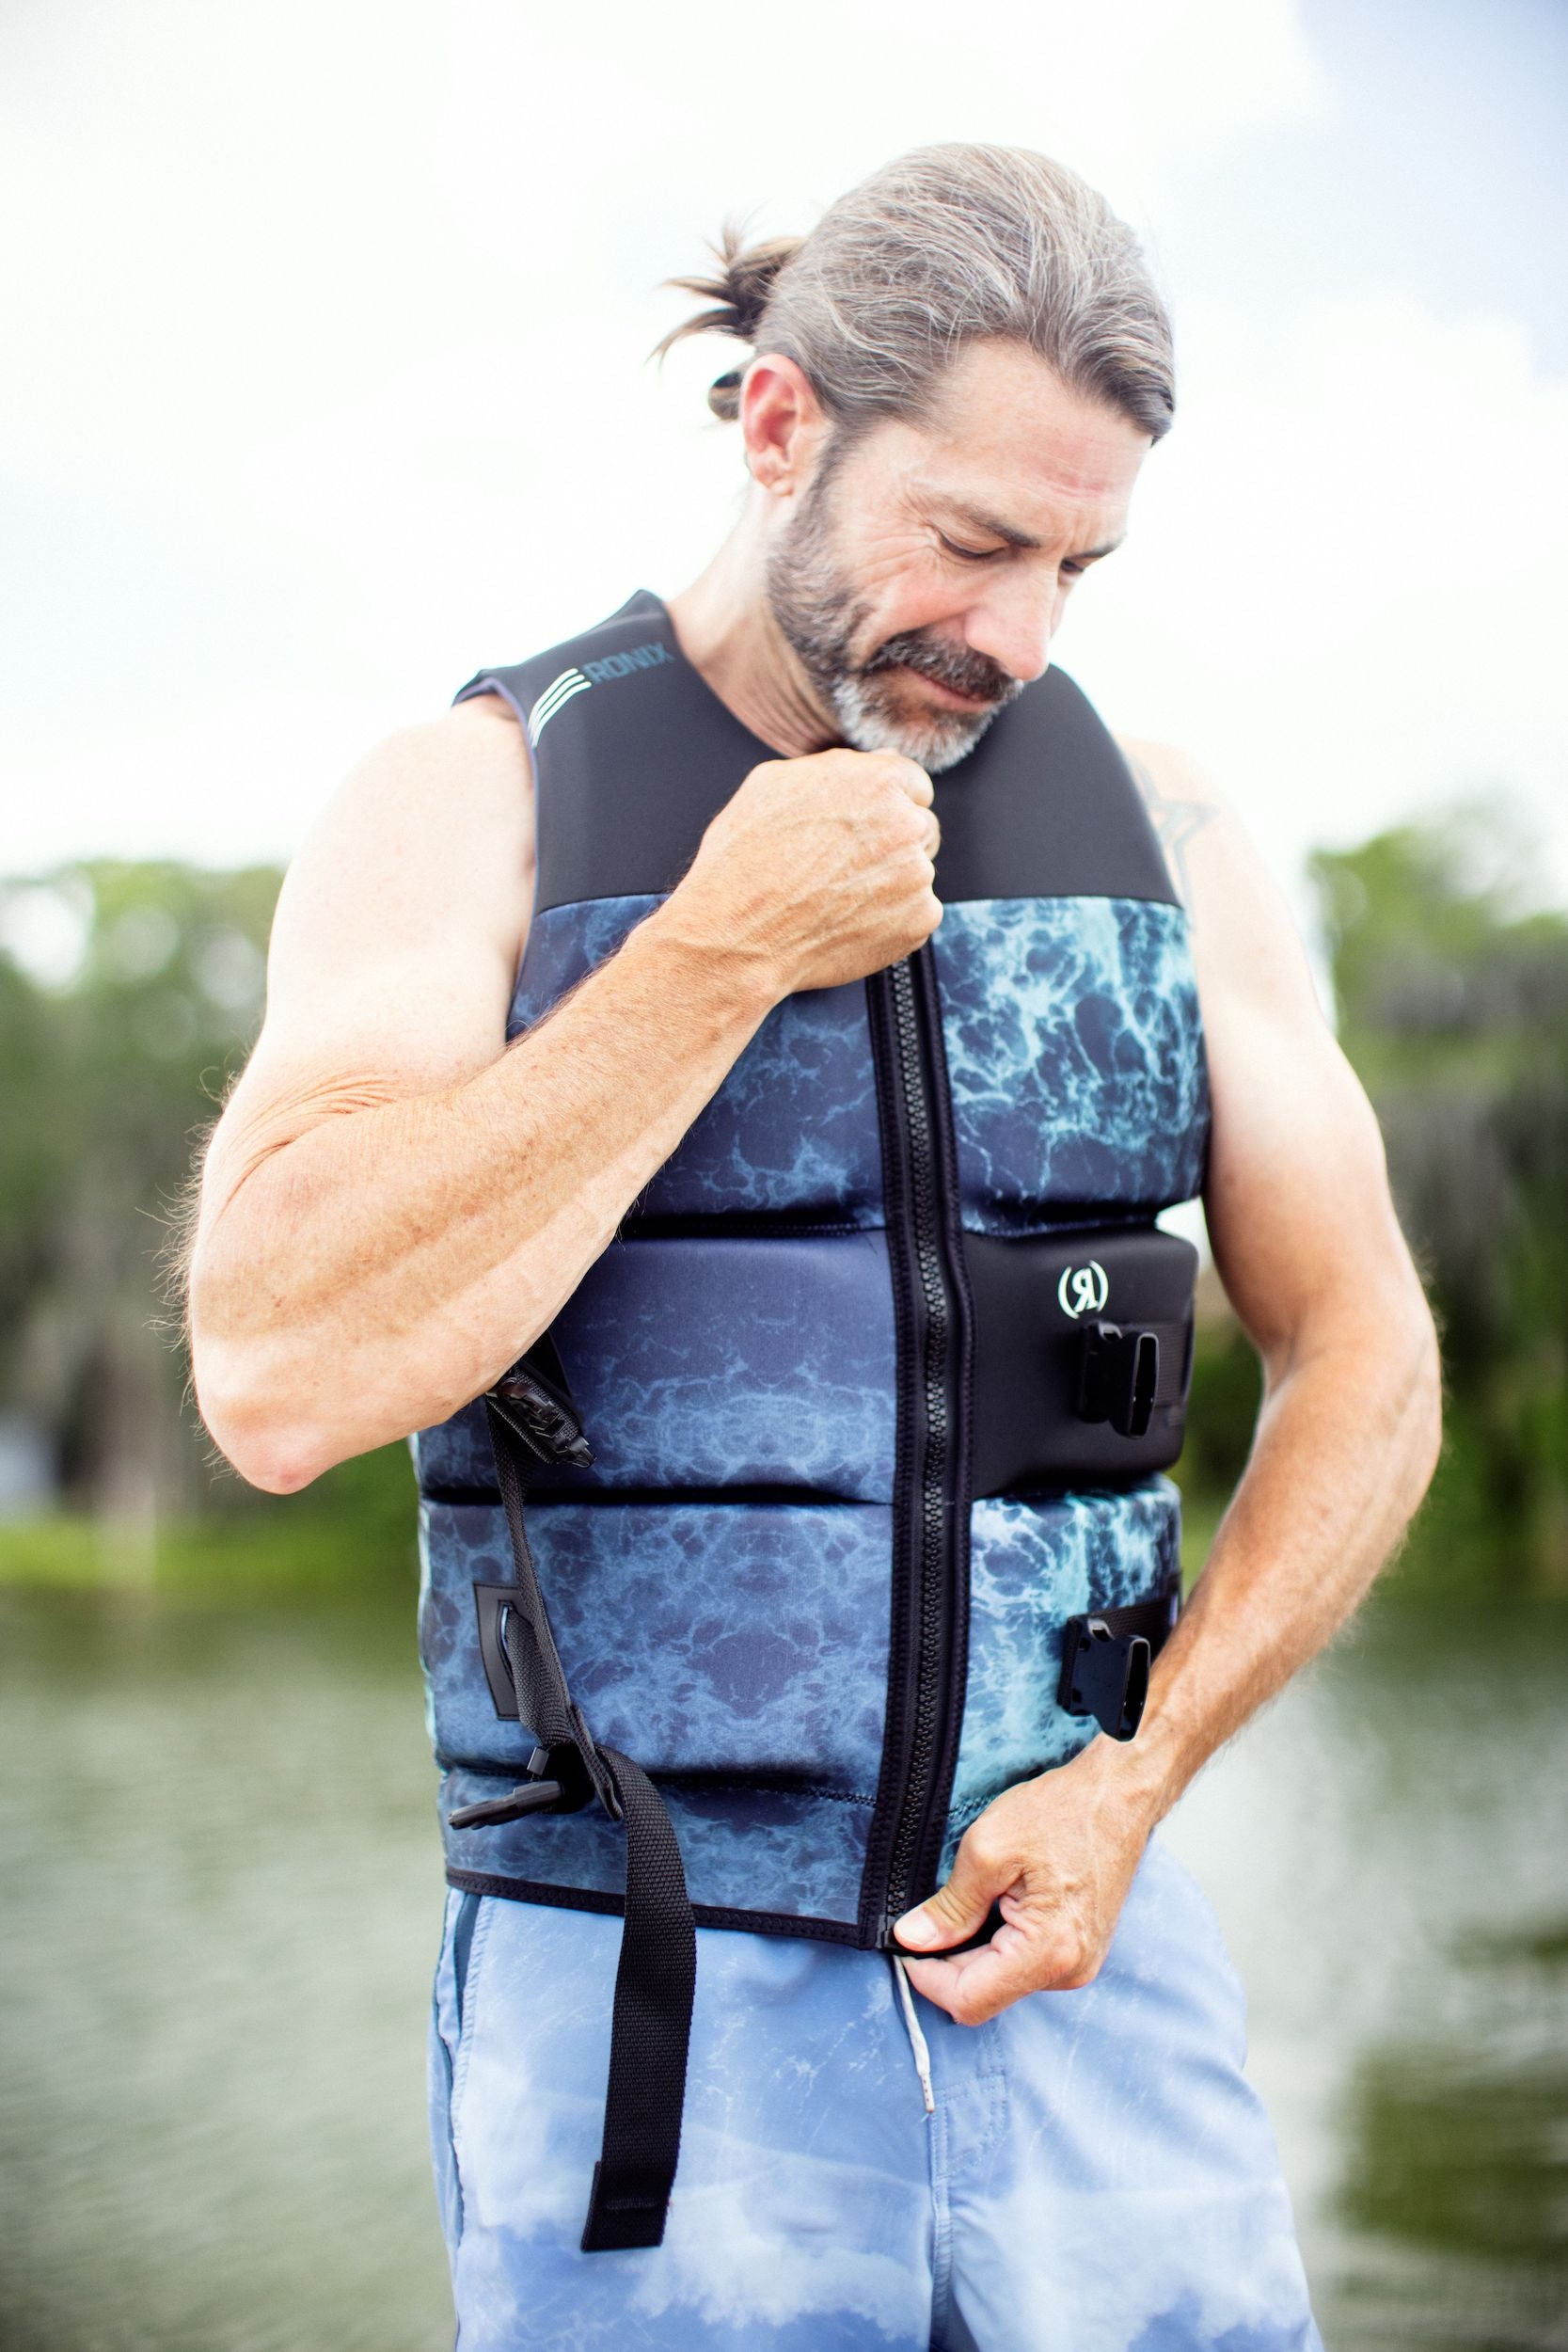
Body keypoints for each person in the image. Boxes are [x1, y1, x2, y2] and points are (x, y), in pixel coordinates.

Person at [183, 143, 1441, 2350]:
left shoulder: (1169, 838)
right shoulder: (474, 802)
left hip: (1090, 1969)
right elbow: (276, 1370)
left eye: (1078, 561)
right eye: (969, 539)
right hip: (651, 2005)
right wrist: (710, 958)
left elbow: (1370, 1357)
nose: (1018, 633)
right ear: (780, 427)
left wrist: (1145, 1778)